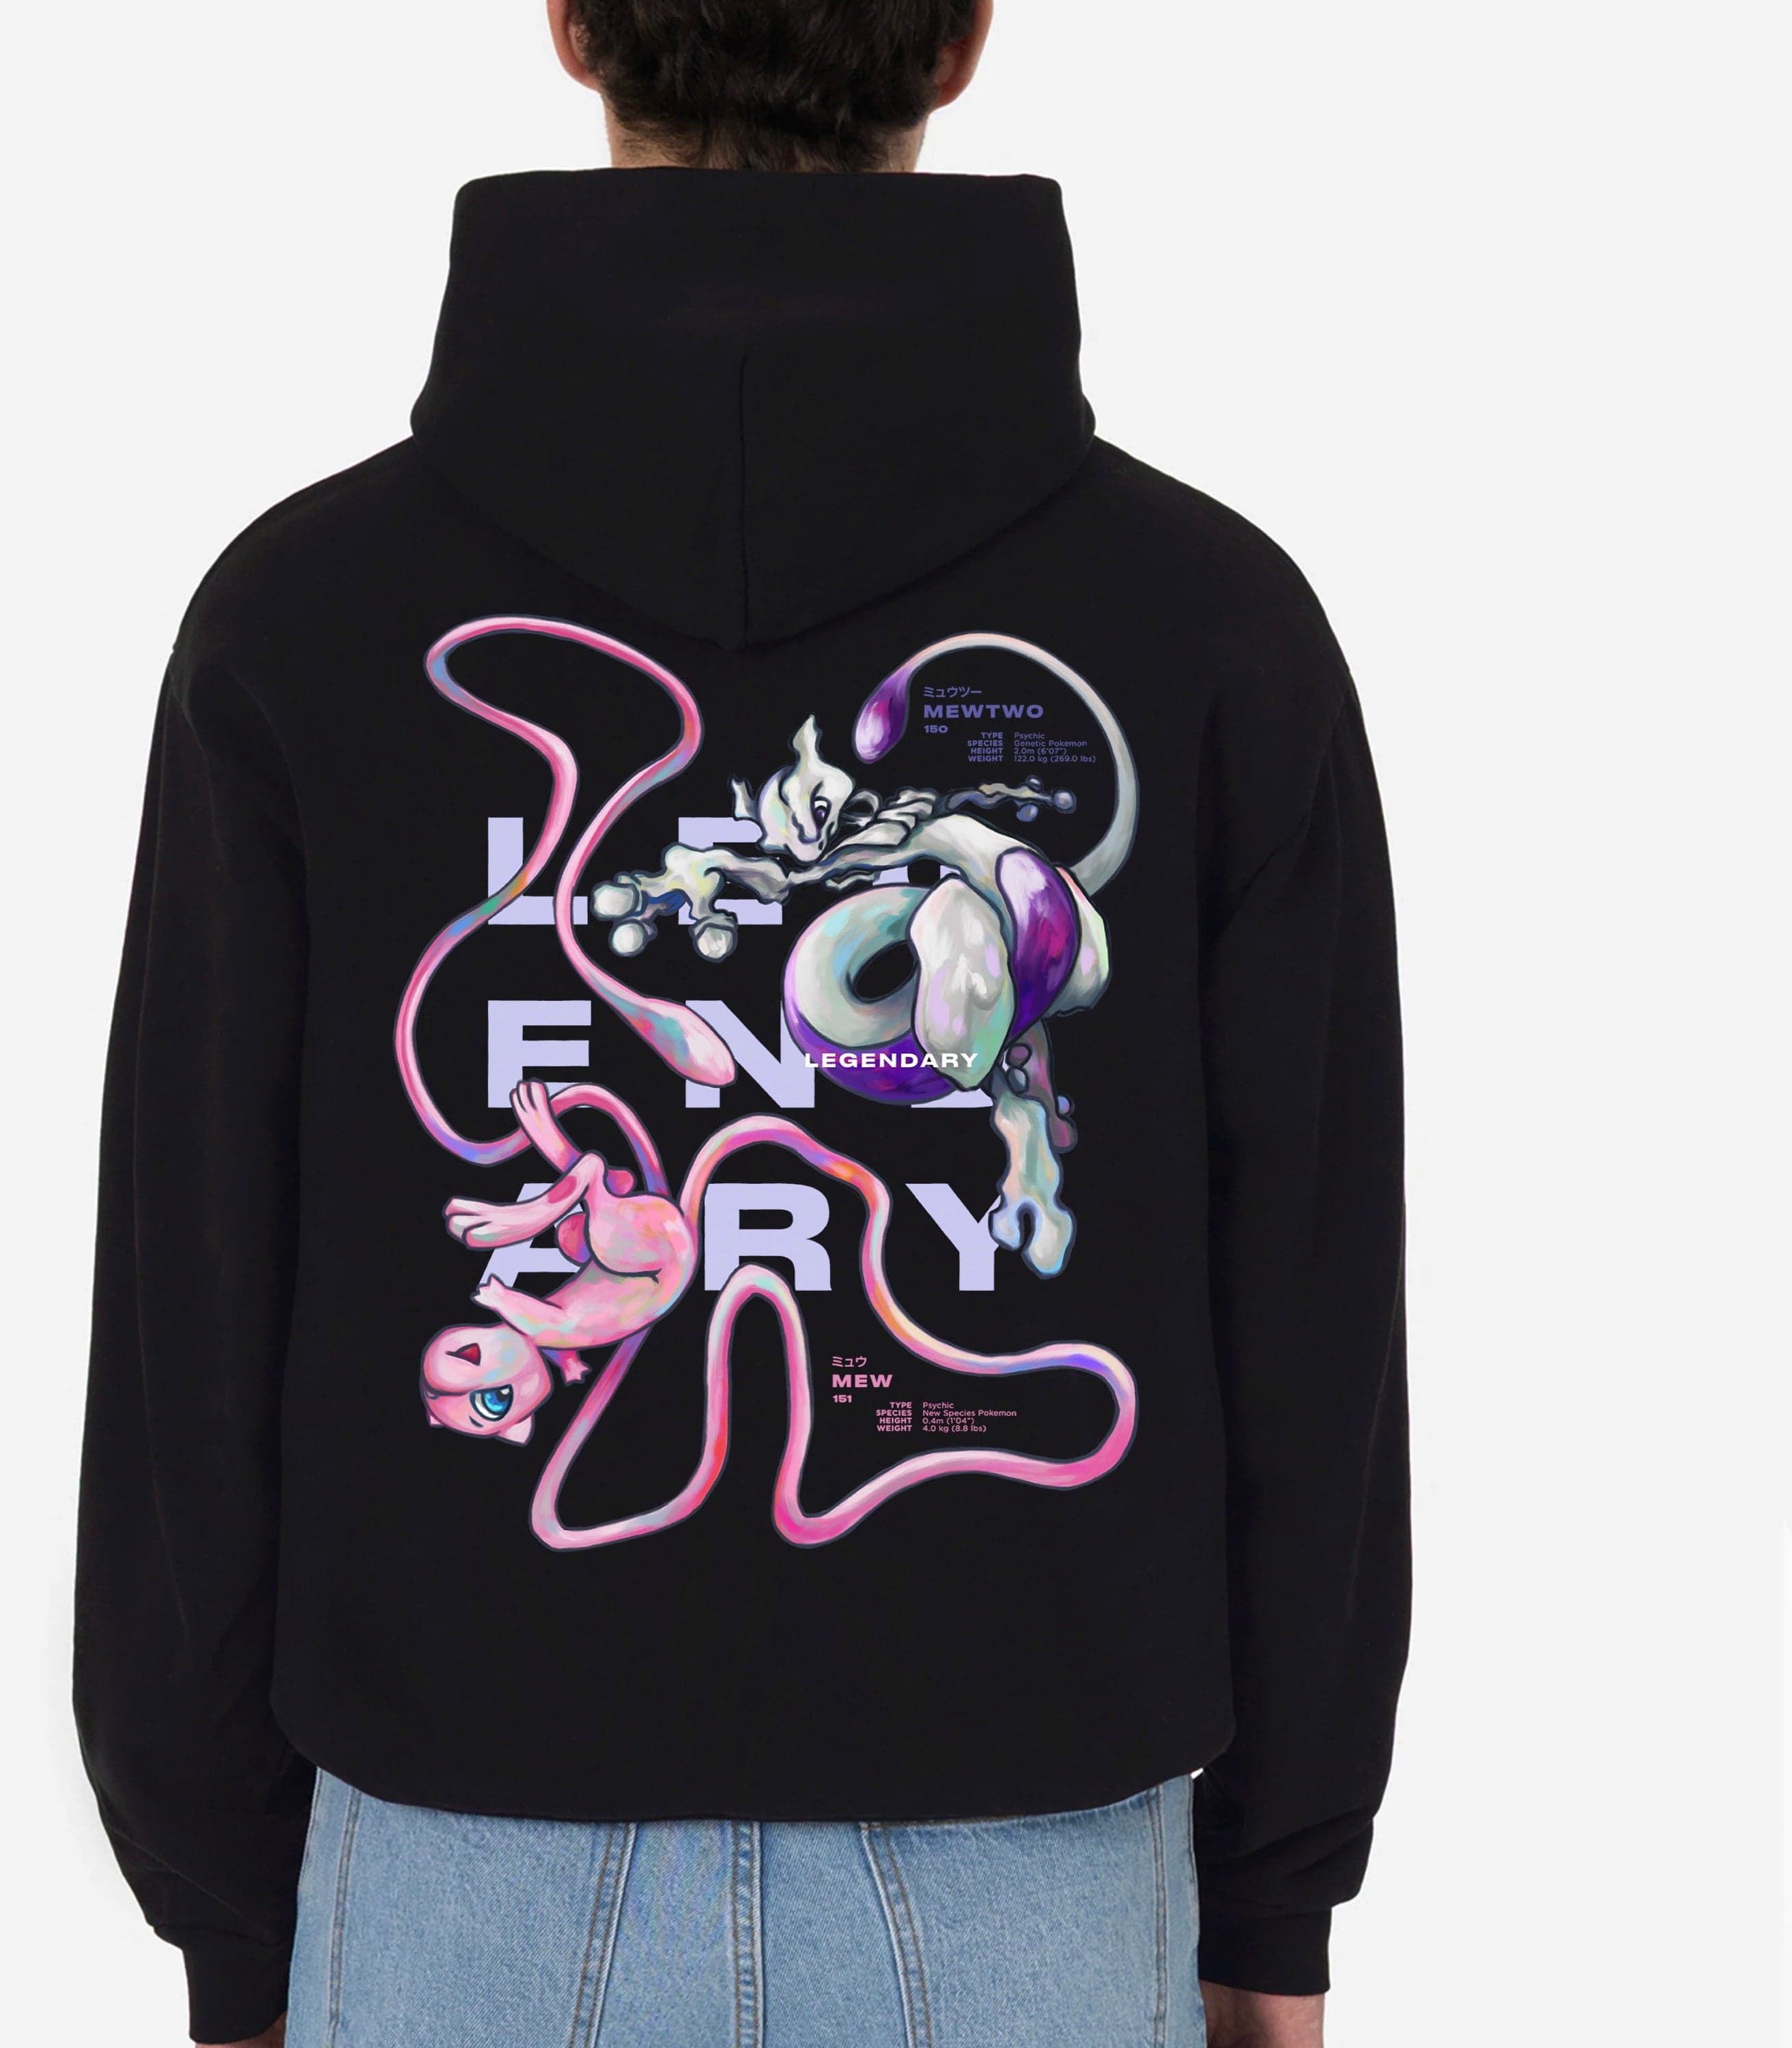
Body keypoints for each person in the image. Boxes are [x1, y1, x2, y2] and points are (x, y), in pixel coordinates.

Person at [74, 3, 1410, 2043]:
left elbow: (193, 1299)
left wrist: (228, 1906)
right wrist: (1278, 1893)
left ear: (572, 24)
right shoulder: (1214, 624)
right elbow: (1310, 1302)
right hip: (1038, 1856)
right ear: (960, 39)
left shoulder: (304, 616)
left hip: (455, 1857)